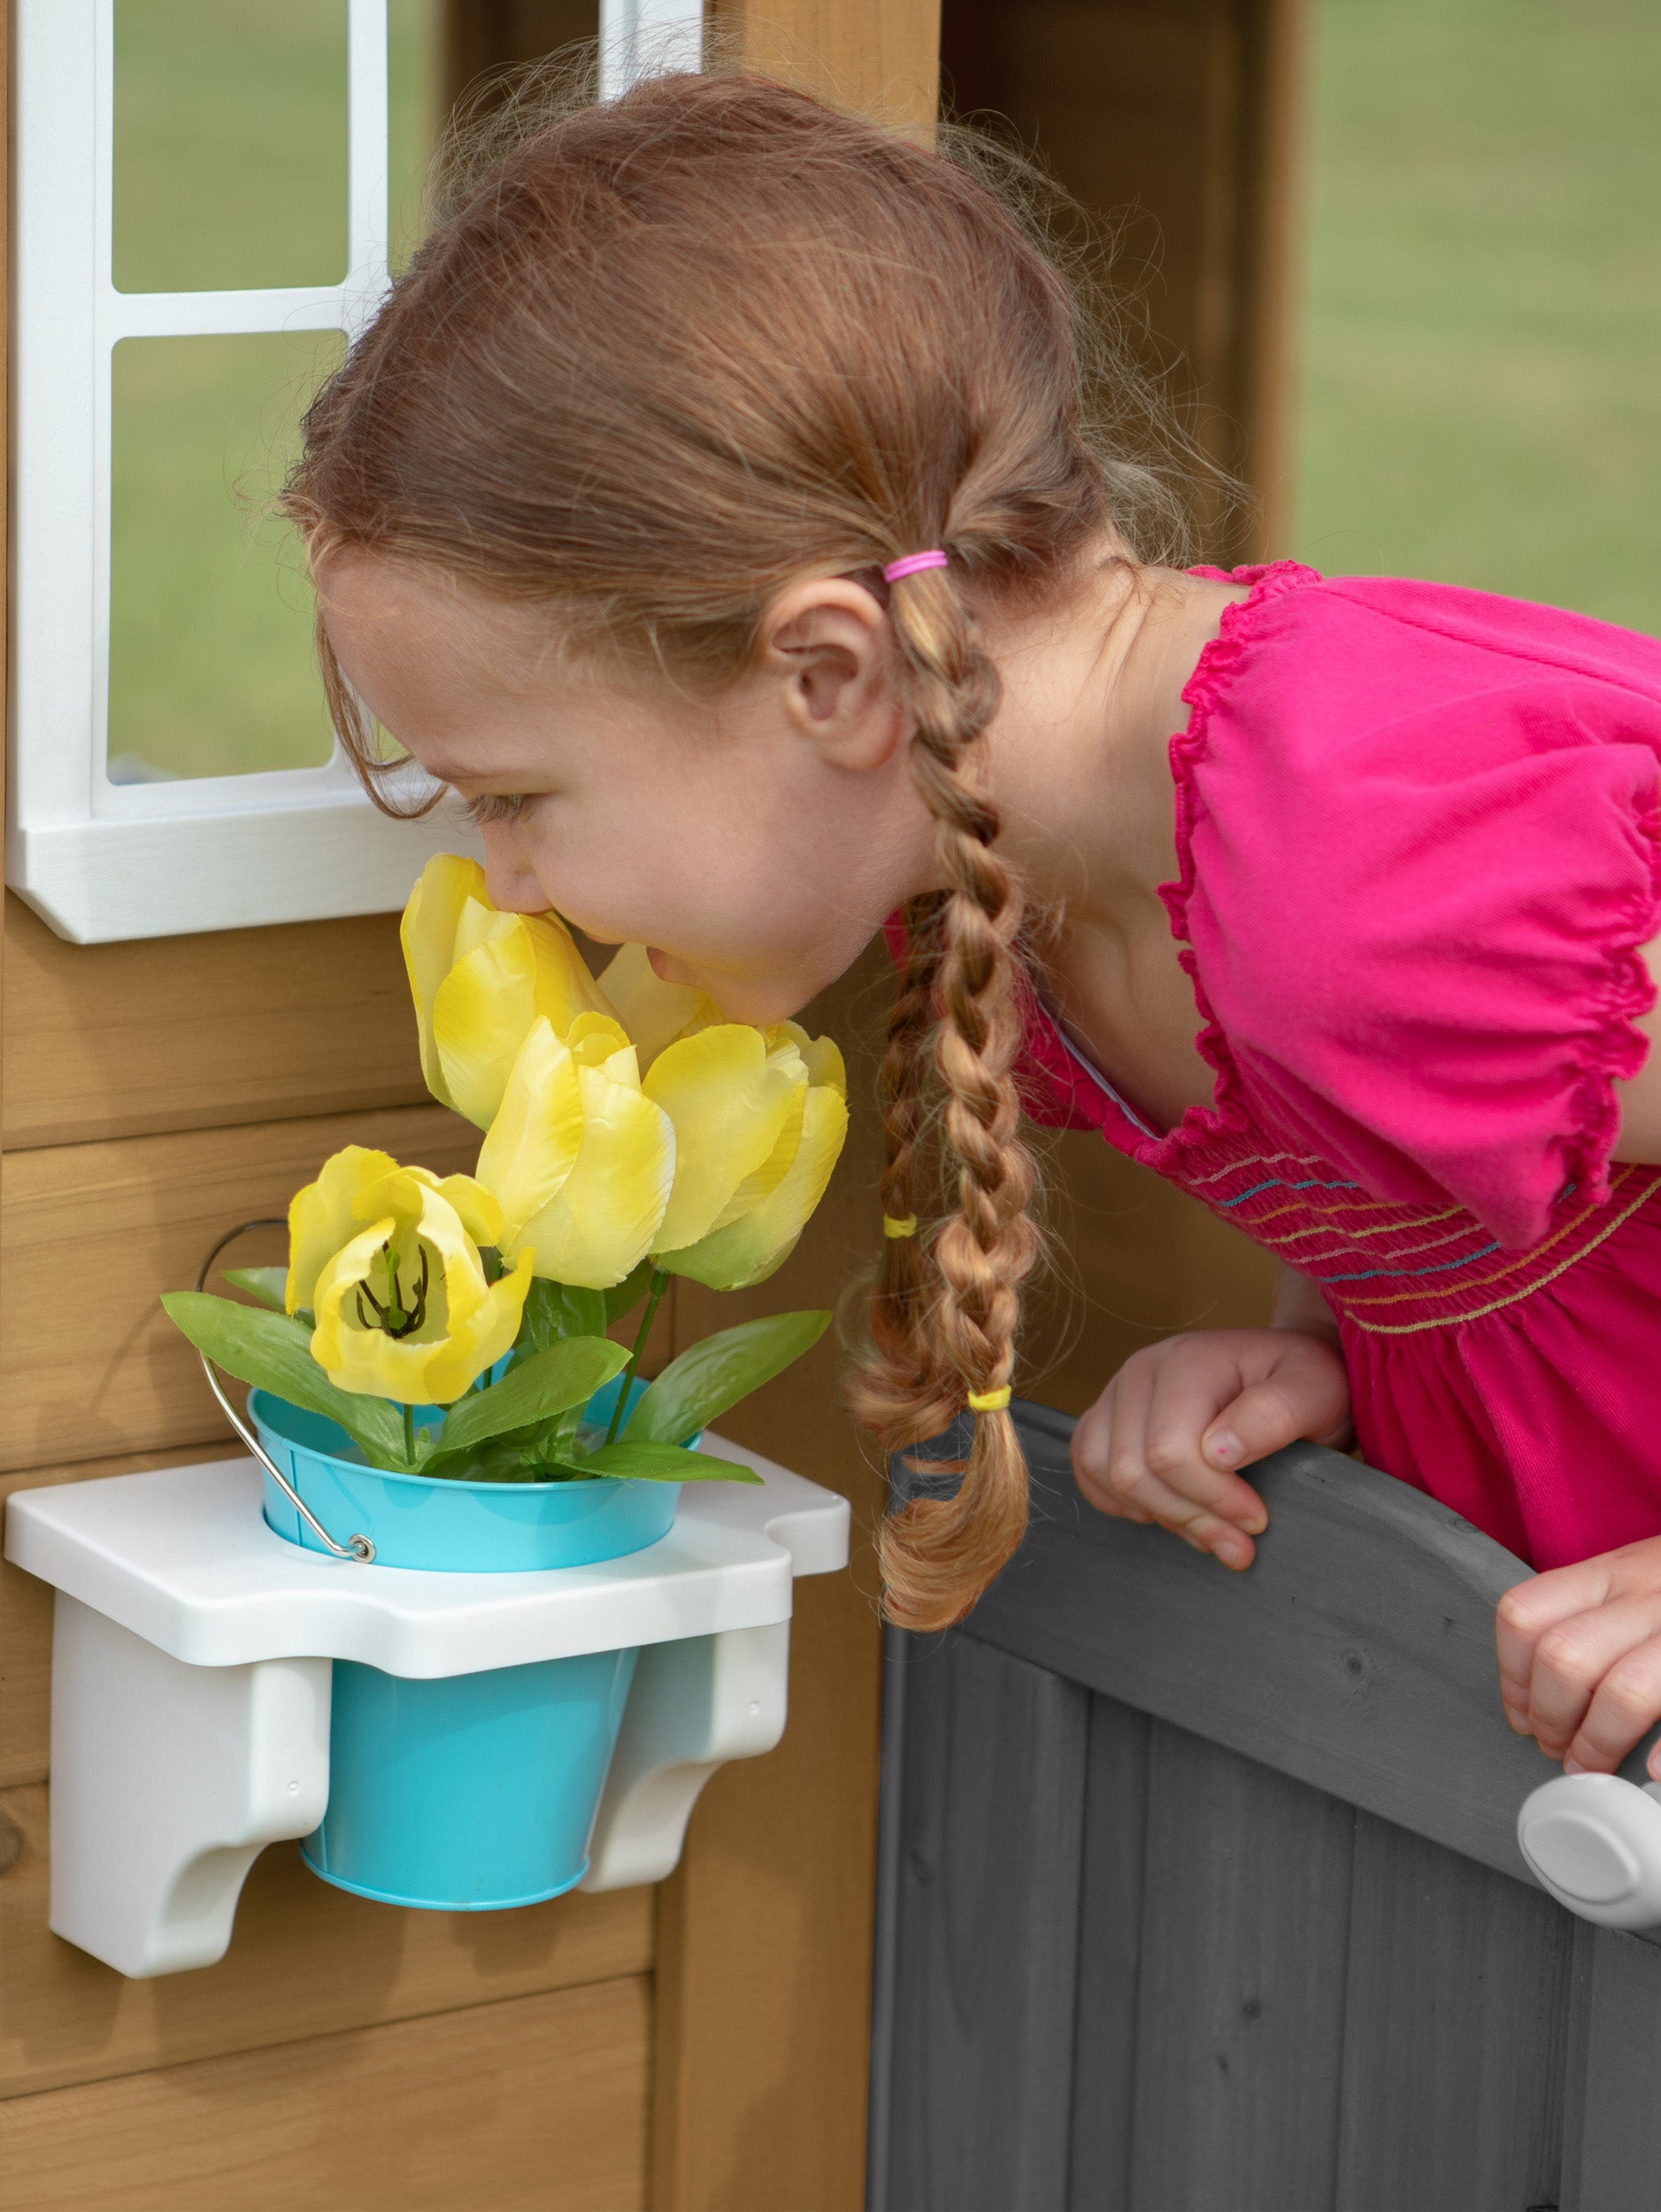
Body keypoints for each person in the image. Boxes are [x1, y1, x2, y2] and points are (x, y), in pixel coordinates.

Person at [280, 72, 1661, 1782]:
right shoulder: (1043, 894)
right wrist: (1336, 1346)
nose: (504, 882)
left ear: (829, 675)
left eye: (515, 795)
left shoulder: (1355, 874)